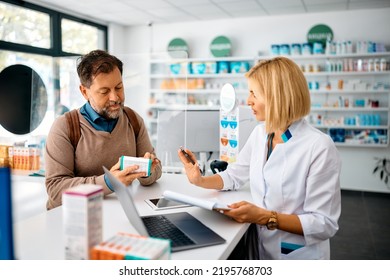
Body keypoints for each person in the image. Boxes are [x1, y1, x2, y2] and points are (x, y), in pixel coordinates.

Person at [178, 57, 341, 260]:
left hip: (298, 256)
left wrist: (265, 217)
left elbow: (324, 223)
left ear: (277, 96)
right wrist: (199, 180)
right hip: (261, 248)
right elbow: (235, 175)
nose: (248, 101)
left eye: (254, 93)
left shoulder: (319, 146)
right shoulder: (260, 133)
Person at [45, 50, 162, 210]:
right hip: (74, 219)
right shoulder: (64, 127)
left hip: (118, 214)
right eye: (104, 91)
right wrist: (108, 182)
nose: (115, 97)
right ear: (84, 91)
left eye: (119, 87)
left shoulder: (133, 120)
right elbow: (56, 190)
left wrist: (148, 171)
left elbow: (156, 172)